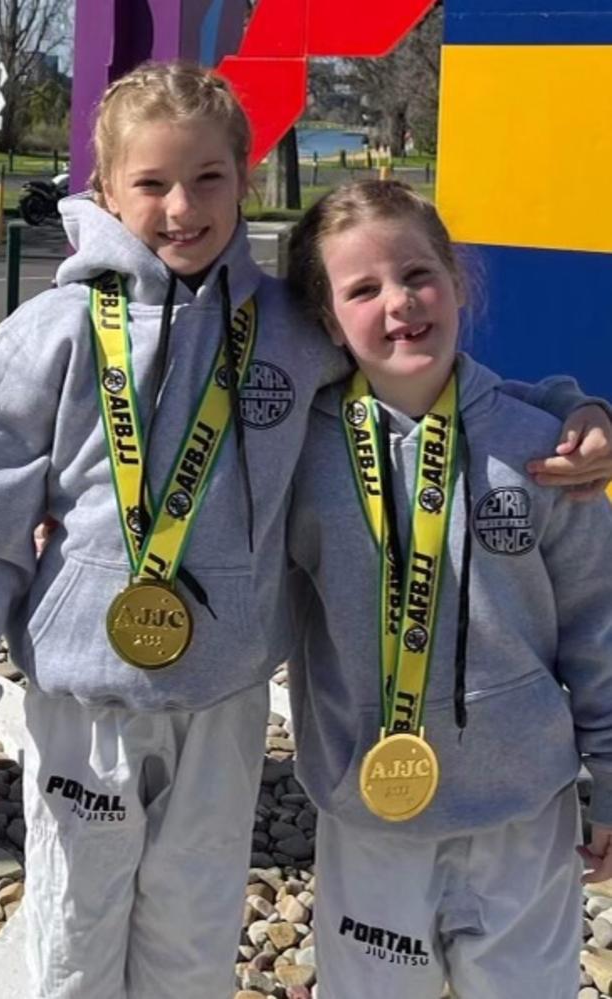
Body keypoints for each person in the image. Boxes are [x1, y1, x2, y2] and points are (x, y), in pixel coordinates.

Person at [0, 63, 609, 999]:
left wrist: (578, 410)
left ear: (246, 180)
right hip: (84, 701)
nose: (181, 206)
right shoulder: (46, 337)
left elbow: (442, 386)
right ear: (104, 190)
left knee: (192, 939)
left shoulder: (290, 332)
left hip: (223, 700)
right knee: (73, 938)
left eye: (209, 178)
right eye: (151, 183)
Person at [286, 179, 612, 999]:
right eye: (363, 289)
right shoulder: (297, 453)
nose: (399, 303)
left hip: (523, 811)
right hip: (370, 817)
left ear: (458, 280)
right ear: (327, 319)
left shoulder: (542, 452)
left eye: (418, 274)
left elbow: (599, 626)